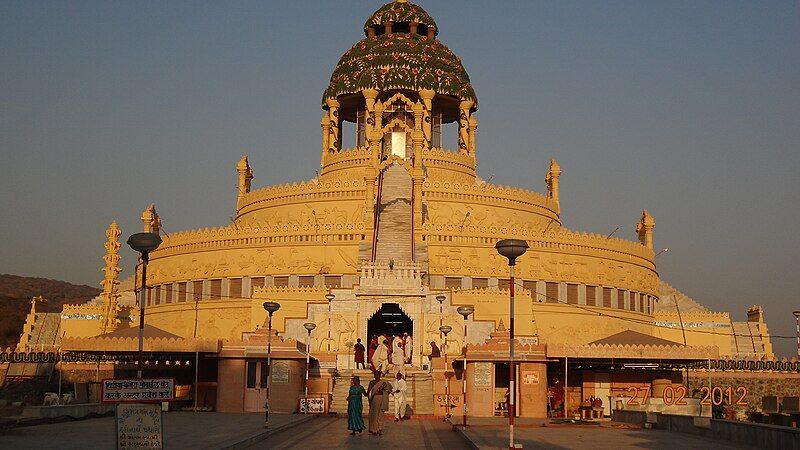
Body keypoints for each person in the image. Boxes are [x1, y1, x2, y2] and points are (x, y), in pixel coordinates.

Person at [367, 370, 391, 435]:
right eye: (375, 375)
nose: (376, 376)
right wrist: (369, 400)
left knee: (381, 414)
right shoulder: (372, 382)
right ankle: (374, 429)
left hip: (382, 398)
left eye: (377, 374)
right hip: (375, 398)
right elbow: (368, 392)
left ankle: (379, 428)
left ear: (380, 375)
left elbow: (389, 389)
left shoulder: (383, 382)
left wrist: (385, 392)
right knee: (375, 414)